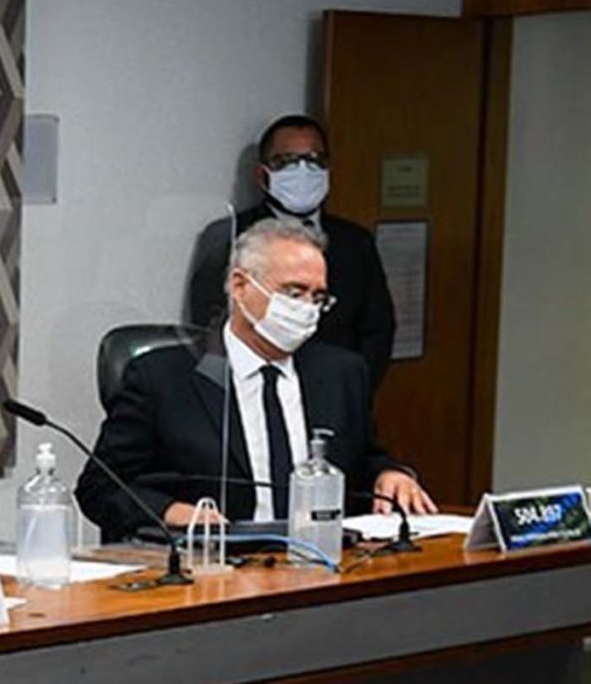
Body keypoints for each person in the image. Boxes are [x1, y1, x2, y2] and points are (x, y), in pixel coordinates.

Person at [80, 217, 433, 542]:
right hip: (212, 570)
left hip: (320, 565)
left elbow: (363, 459)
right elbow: (100, 487)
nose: (307, 308)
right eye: (294, 293)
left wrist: (389, 474)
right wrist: (173, 513)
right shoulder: (163, 377)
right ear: (239, 285)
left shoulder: (341, 372)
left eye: (318, 297)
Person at [185, 114, 398, 393]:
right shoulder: (230, 236)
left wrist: (351, 393)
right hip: (252, 395)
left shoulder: (355, 242)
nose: (303, 170)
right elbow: (209, 325)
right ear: (262, 175)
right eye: (286, 161)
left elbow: (377, 330)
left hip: (337, 396)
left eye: (314, 160)